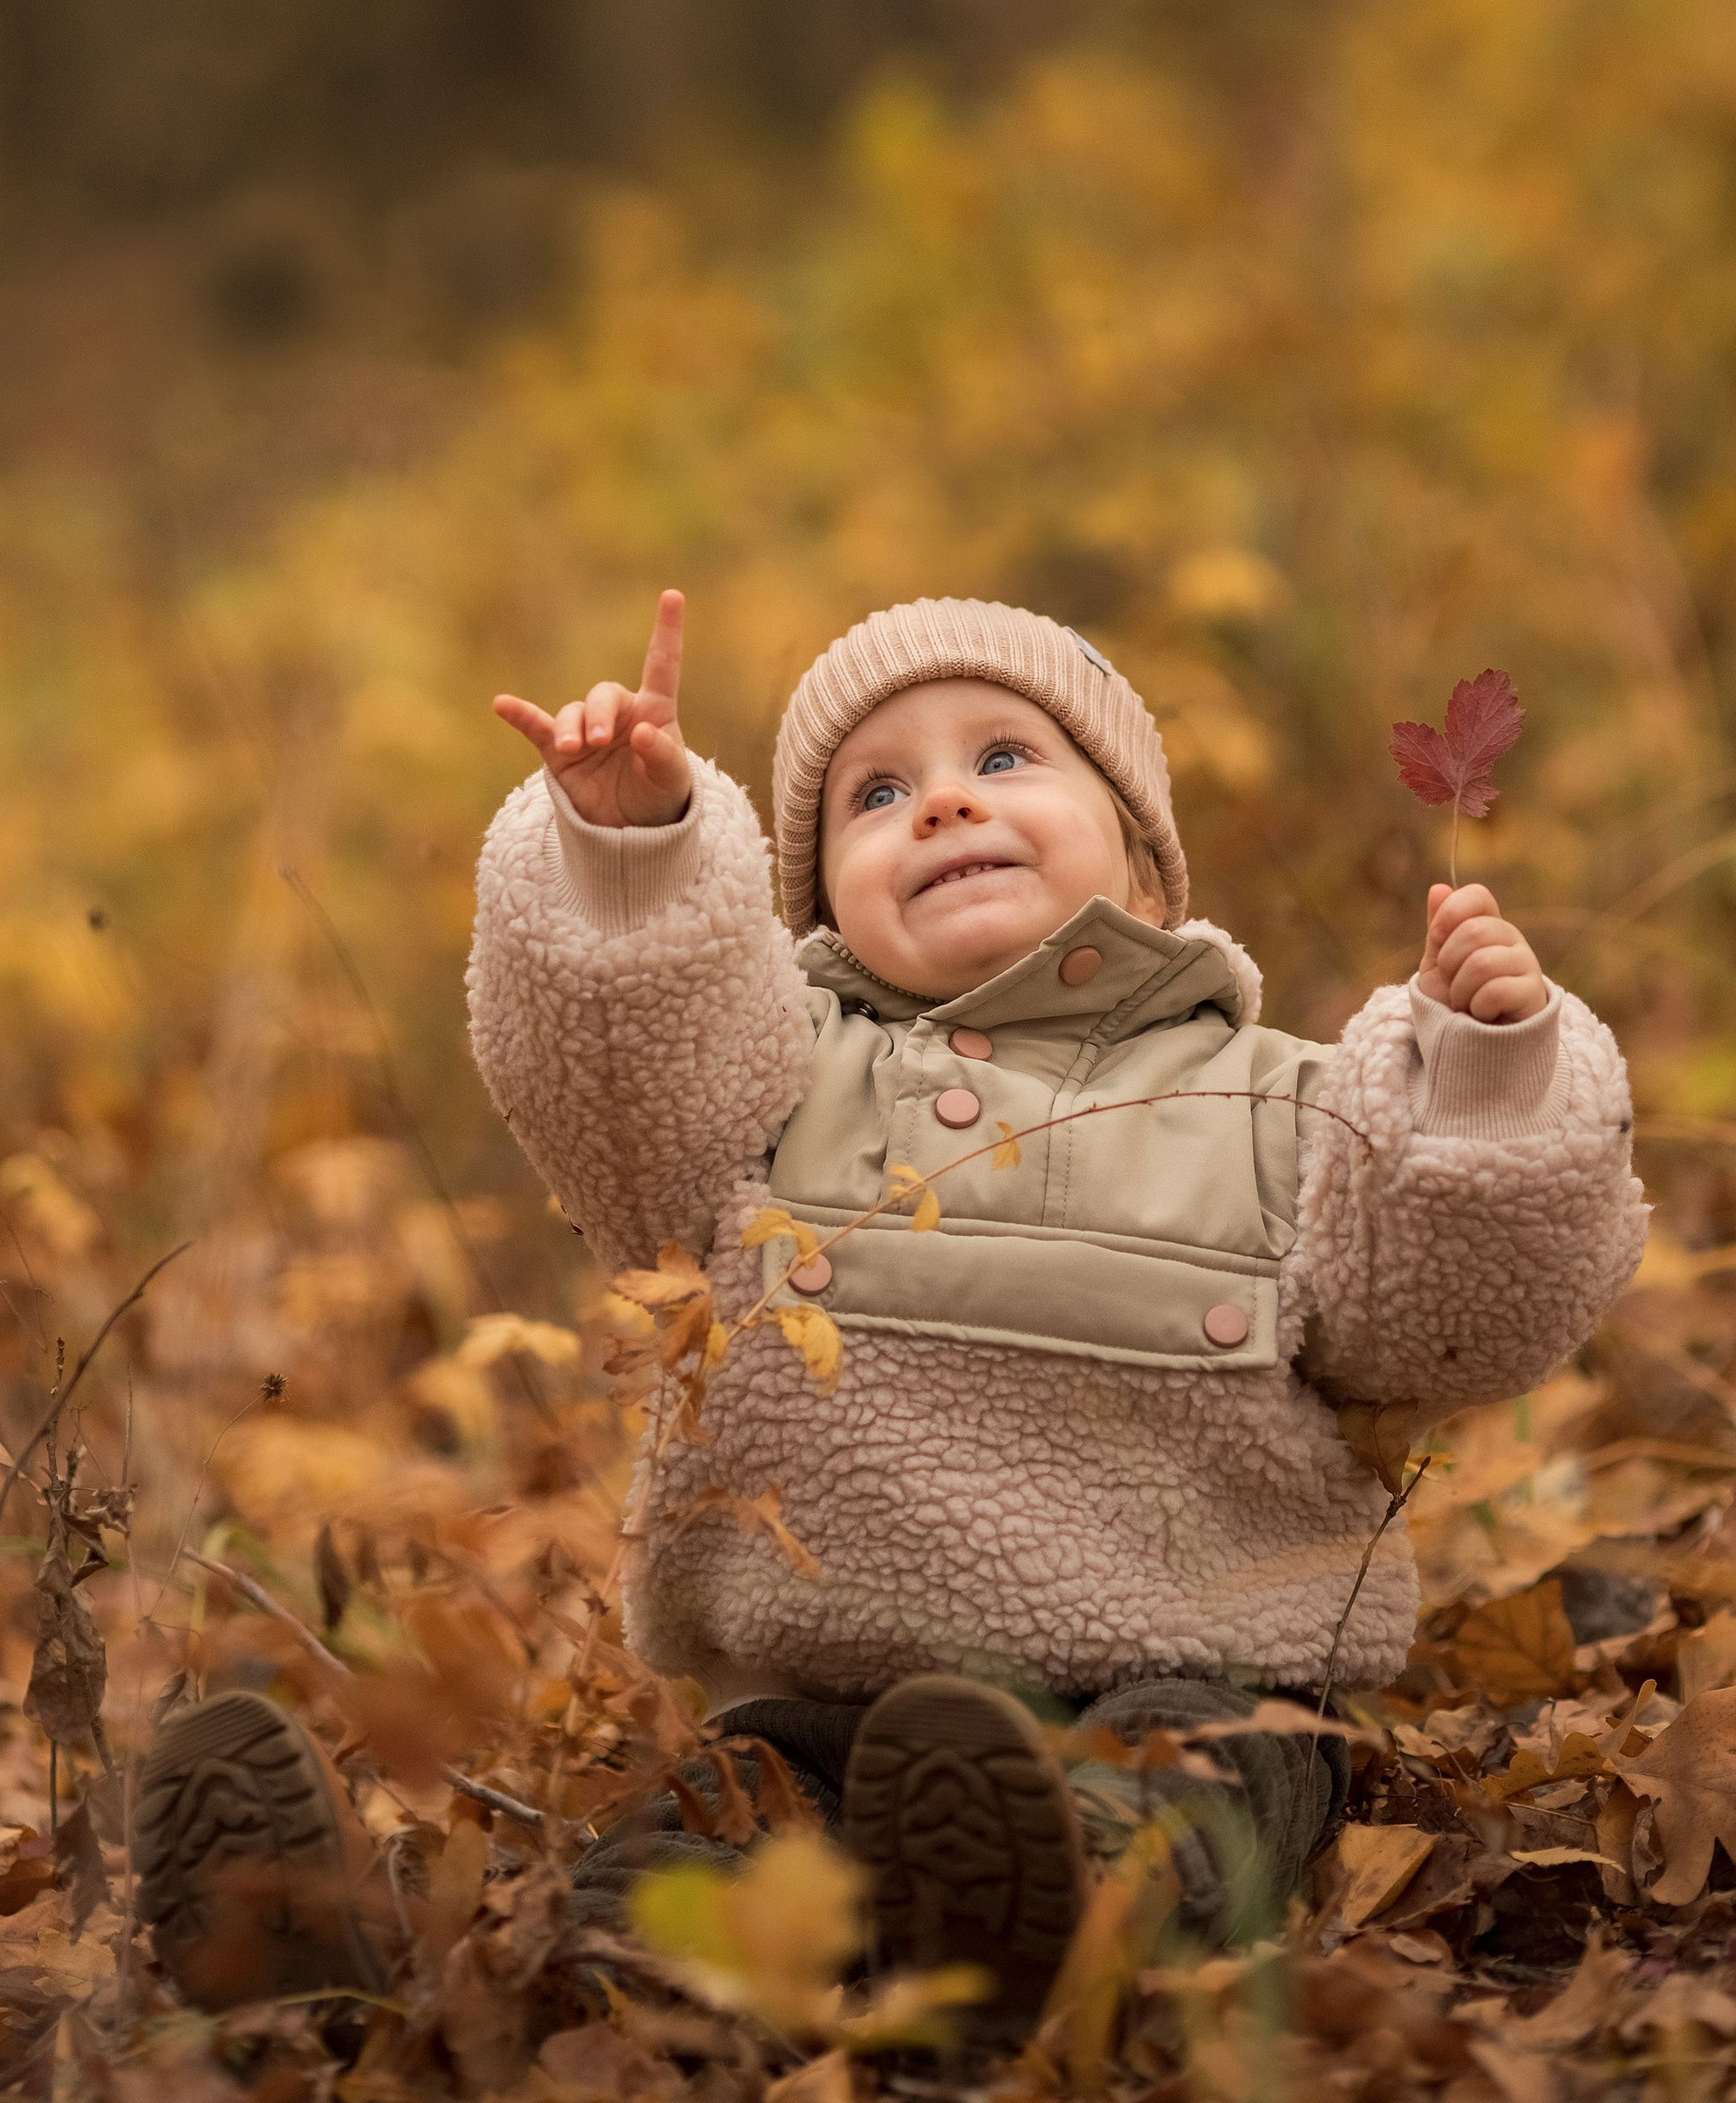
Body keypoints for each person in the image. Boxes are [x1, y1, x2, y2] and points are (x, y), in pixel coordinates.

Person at [138, 591, 1645, 2033]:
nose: (940, 803)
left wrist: (1487, 1086)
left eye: (1004, 758)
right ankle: (407, 1988)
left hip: (1204, 1679)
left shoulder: (1284, 1101)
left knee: (1190, 1796)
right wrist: (631, 854)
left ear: (1147, 857)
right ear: (816, 908)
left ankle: (1046, 1914)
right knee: (691, 1854)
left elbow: (1448, 1333)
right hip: (828, 1705)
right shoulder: (777, 1084)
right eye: (874, 794)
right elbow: (616, 1080)